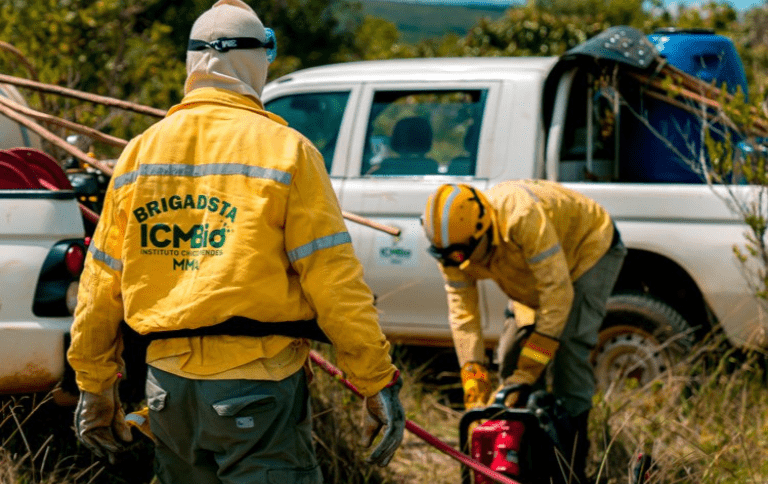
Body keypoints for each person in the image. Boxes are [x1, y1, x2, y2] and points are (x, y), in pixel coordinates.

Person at [67, 1, 404, 482]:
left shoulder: (140, 152)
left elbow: (101, 283)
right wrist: (376, 380)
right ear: (256, 61)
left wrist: (95, 385)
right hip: (258, 389)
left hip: (166, 393)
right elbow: (334, 282)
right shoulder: (288, 151)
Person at [421, 179, 626, 482]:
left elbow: (557, 294)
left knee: (568, 348)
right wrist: (474, 384)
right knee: (509, 356)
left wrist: (529, 371)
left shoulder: (521, 217)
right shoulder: (454, 247)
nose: (458, 265)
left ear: (484, 231)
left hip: (585, 251)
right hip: (534, 274)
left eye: (462, 256)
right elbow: (464, 318)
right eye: (451, 258)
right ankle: (527, 456)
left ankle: (571, 464)